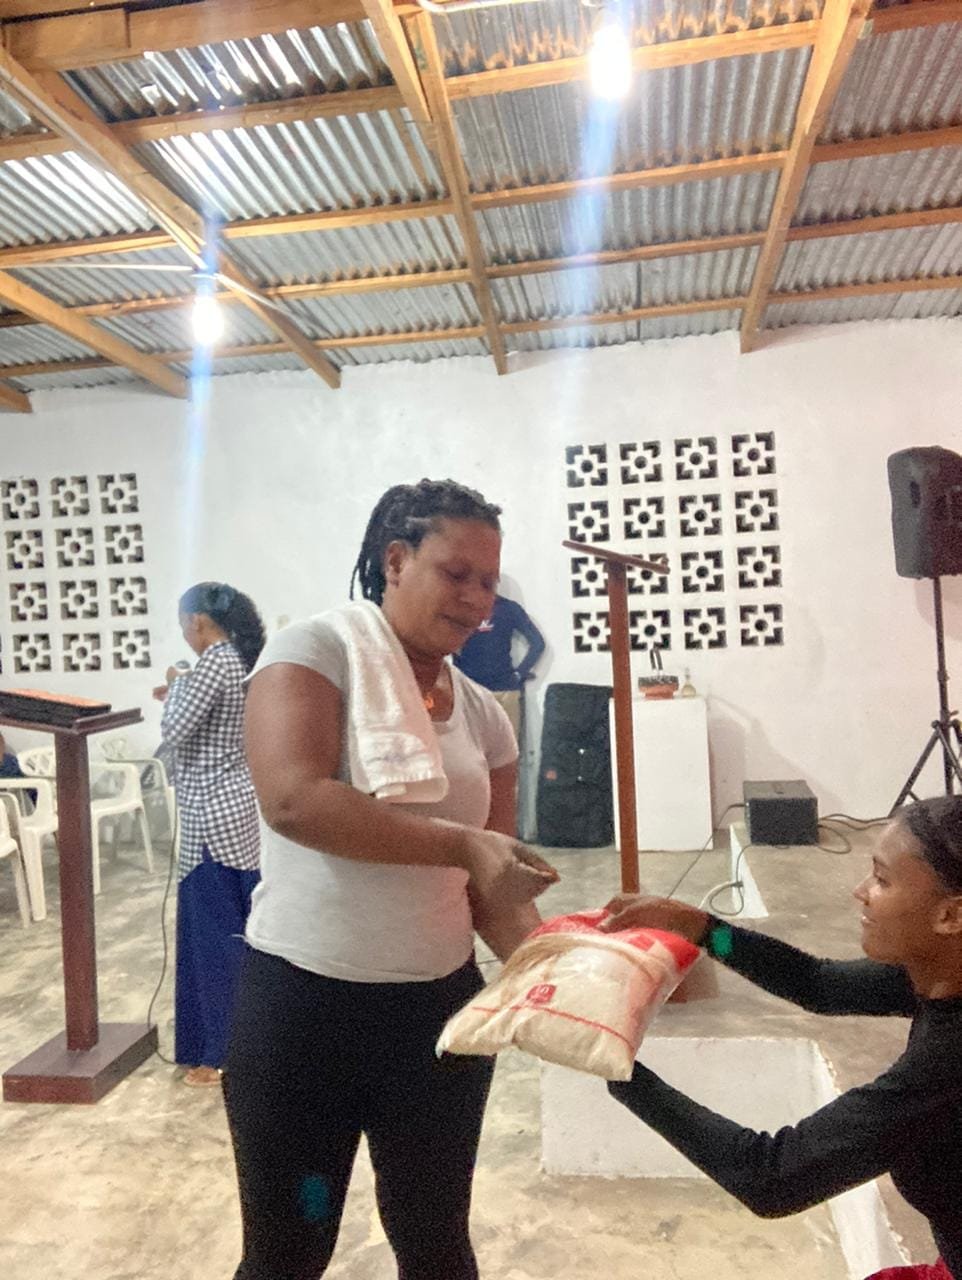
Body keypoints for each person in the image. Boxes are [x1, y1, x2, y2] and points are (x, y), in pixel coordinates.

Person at [224, 478, 559, 1280]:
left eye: (490, 581)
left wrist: (569, 966)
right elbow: (295, 800)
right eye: (457, 574)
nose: (479, 600)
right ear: (396, 560)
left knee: (436, 1241)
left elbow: (490, 887)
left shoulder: (485, 716)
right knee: (291, 1249)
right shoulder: (315, 652)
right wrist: (461, 844)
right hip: (305, 1021)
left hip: (435, 1026)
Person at [600, 796, 962, 1280]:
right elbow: (816, 983)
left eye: (881, 878)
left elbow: (770, 1177)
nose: (860, 892)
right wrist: (703, 930)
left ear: (950, 916)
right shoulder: (939, 972)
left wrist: (619, 1070)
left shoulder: (946, 1061)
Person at [154, 582, 265, 1088]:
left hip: (209, 822)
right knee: (234, 935)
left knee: (215, 942)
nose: (184, 635)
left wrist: (176, 683)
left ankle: (220, 1053)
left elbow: (175, 729)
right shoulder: (236, 661)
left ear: (199, 622)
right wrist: (181, 682)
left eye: (183, 626)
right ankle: (232, 1044)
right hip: (234, 811)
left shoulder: (214, 662)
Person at [454, 590, 545, 740]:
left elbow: (537, 643)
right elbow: (448, 645)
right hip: (471, 692)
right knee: (473, 755)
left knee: (509, 754)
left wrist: (519, 674)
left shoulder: (508, 608)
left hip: (505, 692)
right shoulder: (461, 608)